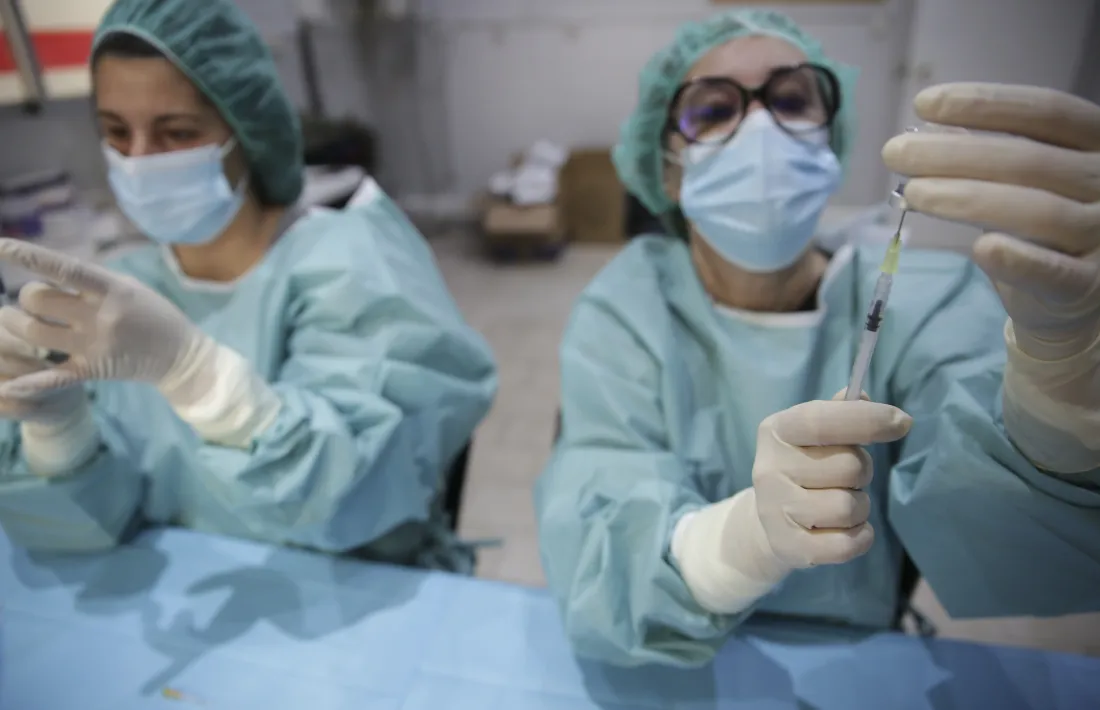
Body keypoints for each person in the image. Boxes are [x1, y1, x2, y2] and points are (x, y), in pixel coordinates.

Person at [535, 9, 1100, 667]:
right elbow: (596, 543)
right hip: (673, 652)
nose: (758, 130)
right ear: (668, 170)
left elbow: (1019, 558)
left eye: (790, 99)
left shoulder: (926, 300)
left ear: (831, 139)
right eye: (714, 110)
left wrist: (1058, 417)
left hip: (851, 656)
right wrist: (739, 544)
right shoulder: (626, 309)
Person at [0, 0, 497, 572]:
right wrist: (57, 427)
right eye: (116, 132)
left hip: (356, 601)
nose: (138, 161)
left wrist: (197, 376)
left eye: (176, 132)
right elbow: (91, 531)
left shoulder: (351, 264)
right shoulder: (127, 293)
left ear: (246, 128)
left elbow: (355, 495)